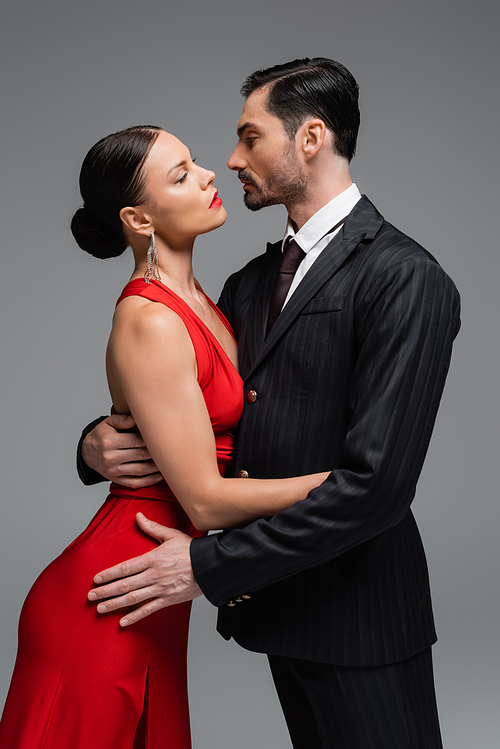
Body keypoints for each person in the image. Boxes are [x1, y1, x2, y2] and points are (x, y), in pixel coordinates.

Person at [80, 59, 461, 748]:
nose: (230, 160)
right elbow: (199, 412)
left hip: (362, 616)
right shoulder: (251, 284)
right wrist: (91, 441)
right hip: (280, 603)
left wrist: (207, 566)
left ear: (310, 138)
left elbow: (376, 488)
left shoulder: (408, 279)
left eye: (249, 137)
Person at [0, 125, 330, 749]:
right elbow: (203, 501)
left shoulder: (208, 300)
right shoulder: (149, 318)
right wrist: (341, 485)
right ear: (137, 218)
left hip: (151, 597)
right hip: (104, 601)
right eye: (180, 175)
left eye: (195, 162)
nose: (208, 175)